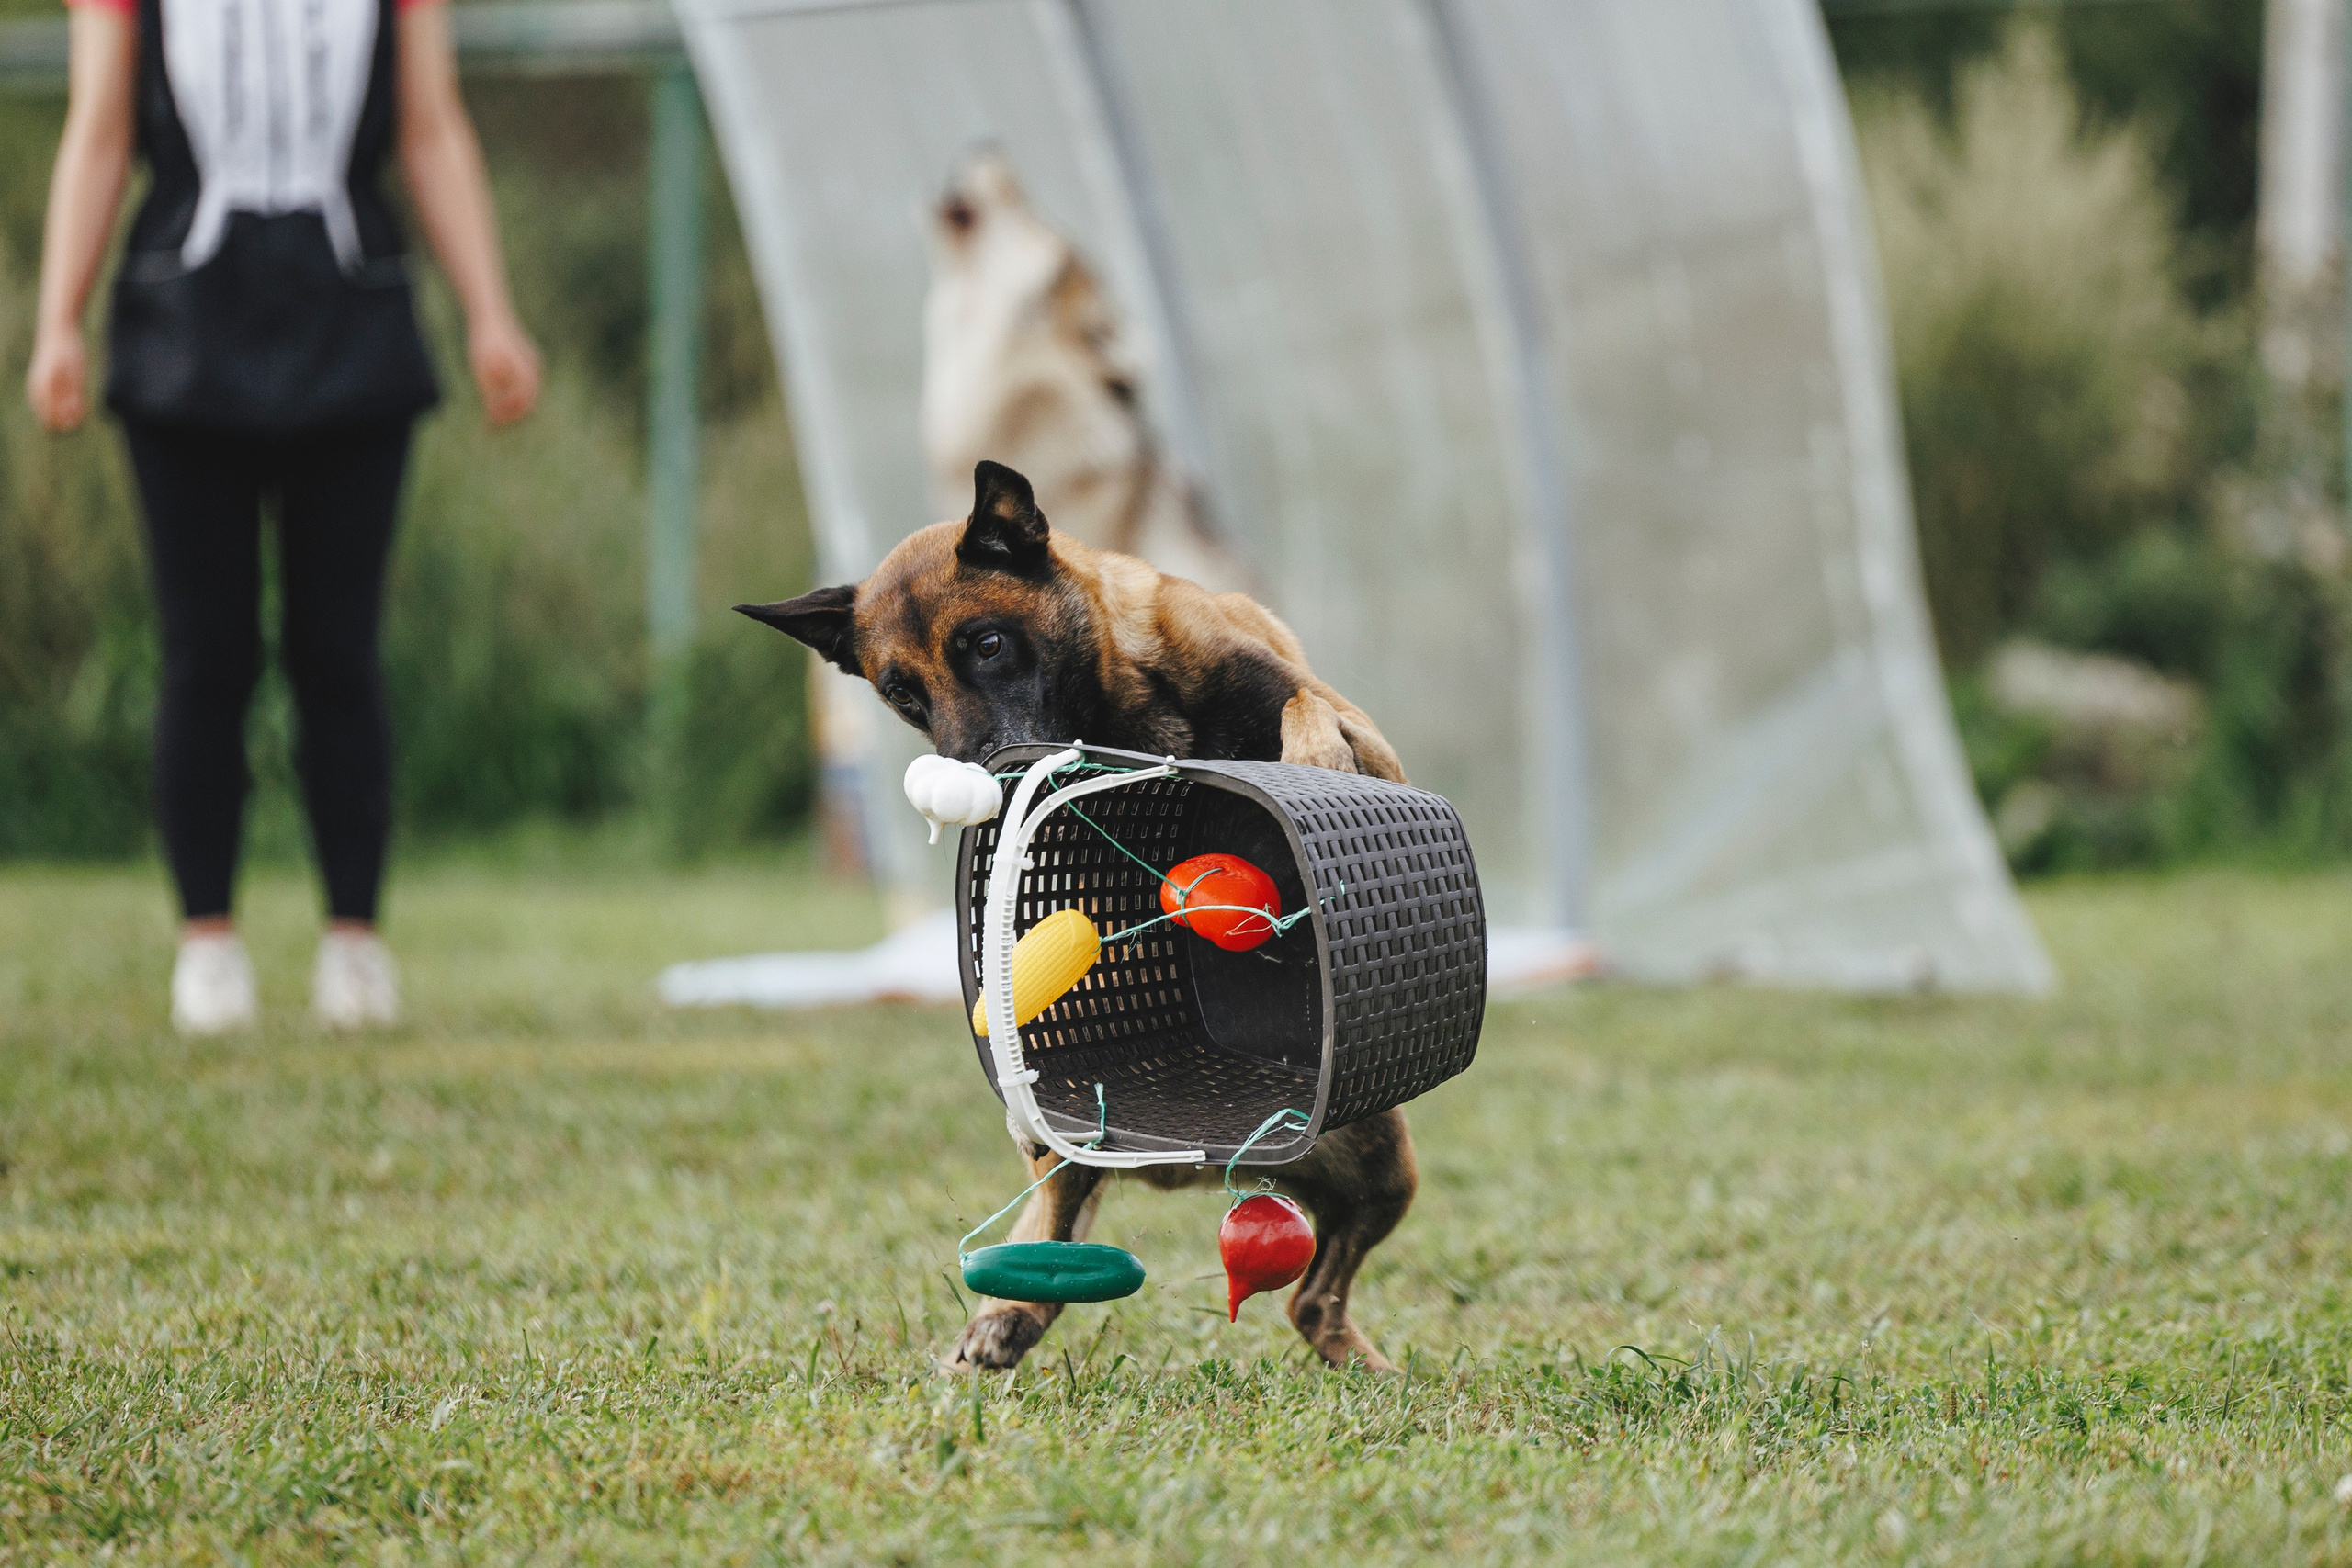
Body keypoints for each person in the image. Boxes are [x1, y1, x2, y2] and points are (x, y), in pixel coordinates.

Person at [26, 0, 541, 1034]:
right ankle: (206, 945)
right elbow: (100, 131)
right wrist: (58, 325)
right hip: (181, 337)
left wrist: (490, 313)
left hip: (354, 327)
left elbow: (429, 126)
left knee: (337, 653)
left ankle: (354, 943)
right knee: (205, 653)